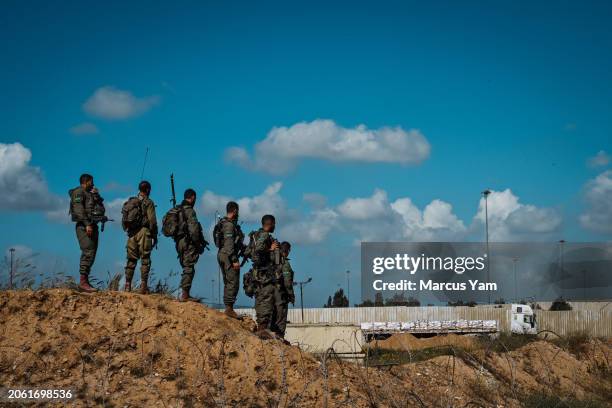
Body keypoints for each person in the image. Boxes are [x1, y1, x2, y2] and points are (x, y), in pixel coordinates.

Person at [69, 173, 103, 293]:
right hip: (84, 226)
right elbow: (79, 209)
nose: (93, 184)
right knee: (88, 252)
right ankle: (83, 282)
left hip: (93, 226)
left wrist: (97, 195)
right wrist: (87, 223)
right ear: (86, 181)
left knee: (92, 253)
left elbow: (99, 208)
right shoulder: (78, 192)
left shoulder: (91, 194)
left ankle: (85, 281)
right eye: (91, 181)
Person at [122, 181, 158, 294]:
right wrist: (154, 235)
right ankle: (143, 286)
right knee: (145, 259)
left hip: (131, 233)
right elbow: (152, 221)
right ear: (147, 189)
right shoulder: (148, 202)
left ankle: (127, 285)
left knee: (131, 259)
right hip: (143, 232)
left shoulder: (131, 201)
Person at [249, 214, 280, 339]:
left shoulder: (256, 235)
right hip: (264, 274)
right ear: (270, 223)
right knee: (266, 299)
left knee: (261, 299)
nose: (275, 226)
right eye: (274, 224)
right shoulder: (264, 235)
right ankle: (262, 329)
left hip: (259, 274)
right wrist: (271, 249)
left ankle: (262, 327)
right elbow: (258, 249)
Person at [175, 188, 207, 301]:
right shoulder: (189, 211)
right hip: (188, 242)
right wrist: (198, 244)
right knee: (189, 267)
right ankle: (185, 295)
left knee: (185, 266)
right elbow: (194, 231)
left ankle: (184, 293)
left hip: (178, 242)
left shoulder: (177, 209)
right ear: (192, 197)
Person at [216, 201, 244, 319]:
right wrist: (234, 259)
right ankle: (229, 308)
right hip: (227, 254)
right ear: (235, 211)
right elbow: (229, 244)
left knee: (228, 281)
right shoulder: (228, 225)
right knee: (233, 281)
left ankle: (229, 307)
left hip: (223, 253)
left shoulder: (224, 223)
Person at [270, 241, 295, 339]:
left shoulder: (271, 261)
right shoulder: (284, 263)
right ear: (287, 251)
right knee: (281, 318)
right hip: (281, 295)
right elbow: (288, 283)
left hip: (269, 295)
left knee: (272, 317)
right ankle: (280, 339)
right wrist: (291, 295)